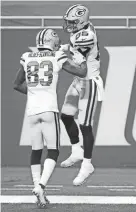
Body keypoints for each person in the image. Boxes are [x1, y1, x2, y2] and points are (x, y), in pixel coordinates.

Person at [13, 28, 87, 207]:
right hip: (48, 109)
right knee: (53, 151)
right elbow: (82, 72)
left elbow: (16, 84)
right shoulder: (57, 57)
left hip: (32, 111)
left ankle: (38, 190)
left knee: (36, 151)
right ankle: (41, 186)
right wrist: (80, 56)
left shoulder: (26, 56)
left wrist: (32, 94)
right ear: (51, 41)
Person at [60, 4, 104, 186]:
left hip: (89, 83)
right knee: (66, 115)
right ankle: (76, 151)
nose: (69, 25)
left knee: (85, 125)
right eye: (68, 22)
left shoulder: (87, 36)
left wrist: (60, 55)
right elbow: (73, 47)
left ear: (82, 22)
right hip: (78, 82)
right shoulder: (82, 29)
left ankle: (87, 165)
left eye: (72, 22)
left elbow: (78, 65)